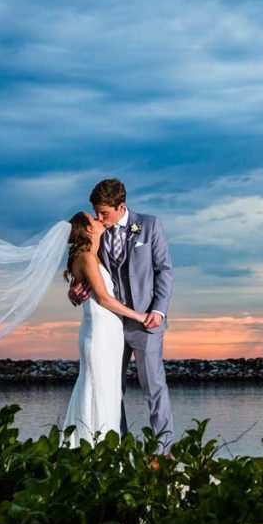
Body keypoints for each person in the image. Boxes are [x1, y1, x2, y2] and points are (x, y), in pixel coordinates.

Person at [68, 179, 174, 456]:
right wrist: (75, 292)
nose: (100, 218)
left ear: (121, 206)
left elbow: (164, 270)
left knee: (153, 386)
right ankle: (120, 447)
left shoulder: (149, 225)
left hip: (146, 321)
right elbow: (88, 276)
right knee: (112, 389)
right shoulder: (96, 237)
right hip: (110, 325)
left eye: (104, 212)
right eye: (96, 213)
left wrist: (158, 311)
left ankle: (162, 451)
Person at [61, 212, 150, 446]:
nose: (99, 219)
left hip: (109, 333)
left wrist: (73, 294)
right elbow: (103, 299)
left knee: (107, 392)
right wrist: (139, 315)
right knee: (98, 391)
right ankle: (92, 449)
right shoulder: (86, 258)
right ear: (88, 230)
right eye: (93, 218)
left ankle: (101, 450)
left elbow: (81, 293)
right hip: (99, 334)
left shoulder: (92, 256)